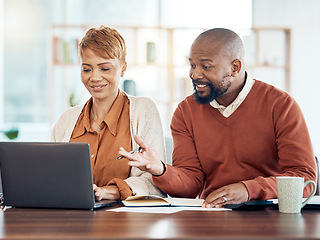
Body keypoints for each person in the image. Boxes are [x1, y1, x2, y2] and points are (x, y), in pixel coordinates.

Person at [119, 28, 317, 208]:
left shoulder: (281, 105)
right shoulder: (185, 111)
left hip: (269, 214)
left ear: (235, 68)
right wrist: (160, 170)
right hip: (213, 214)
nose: (195, 74)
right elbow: (190, 185)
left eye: (206, 67)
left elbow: (304, 179)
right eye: (192, 65)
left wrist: (248, 189)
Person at [51, 26, 166, 201]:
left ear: (123, 68)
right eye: (87, 69)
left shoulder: (143, 111)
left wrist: (109, 191)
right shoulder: (66, 120)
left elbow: (155, 183)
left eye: (105, 69)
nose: (95, 77)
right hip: (72, 221)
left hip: (125, 222)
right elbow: (52, 177)